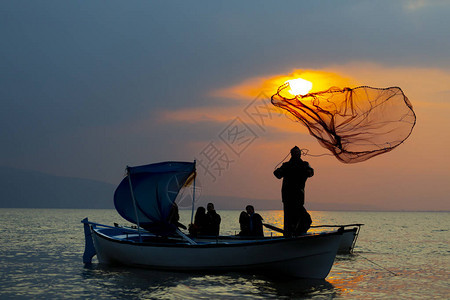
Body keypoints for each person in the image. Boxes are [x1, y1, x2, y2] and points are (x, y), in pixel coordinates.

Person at [274, 146, 314, 236]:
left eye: (298, 152)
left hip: (298, 197)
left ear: (300, 153)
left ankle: (297, 234)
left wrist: (308, 172)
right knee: (289, 219)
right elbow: (277, 174)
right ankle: (290, 235)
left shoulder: (304, 164)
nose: (297, 154)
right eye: (295, 152)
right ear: (291, 154)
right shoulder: (286, 165)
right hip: (288, 197)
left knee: (306, 218)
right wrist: (279, 171)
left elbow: (311, 172)